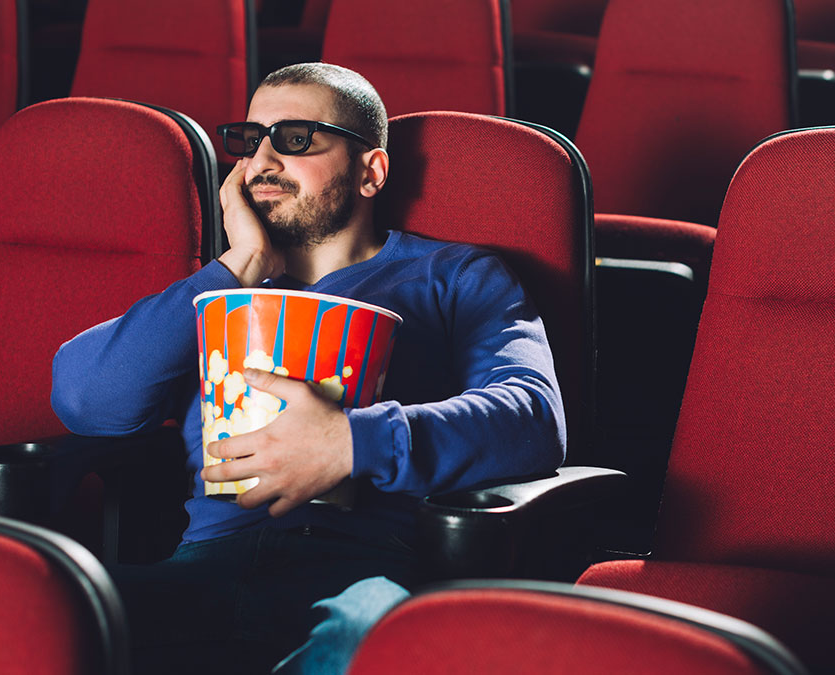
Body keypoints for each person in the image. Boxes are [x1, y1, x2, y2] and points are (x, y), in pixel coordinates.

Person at [51, 62, 566, 674]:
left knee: (363, 641)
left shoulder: (456, 276)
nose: (262, 162)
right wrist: (238, 264)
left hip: (371, 571)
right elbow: (85, 400)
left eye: (296, 139)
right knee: (28, 613)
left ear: (370, 172)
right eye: (250, 141)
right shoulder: (218, 293)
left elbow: (533, 417)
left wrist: (349, 443)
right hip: (207, 563)